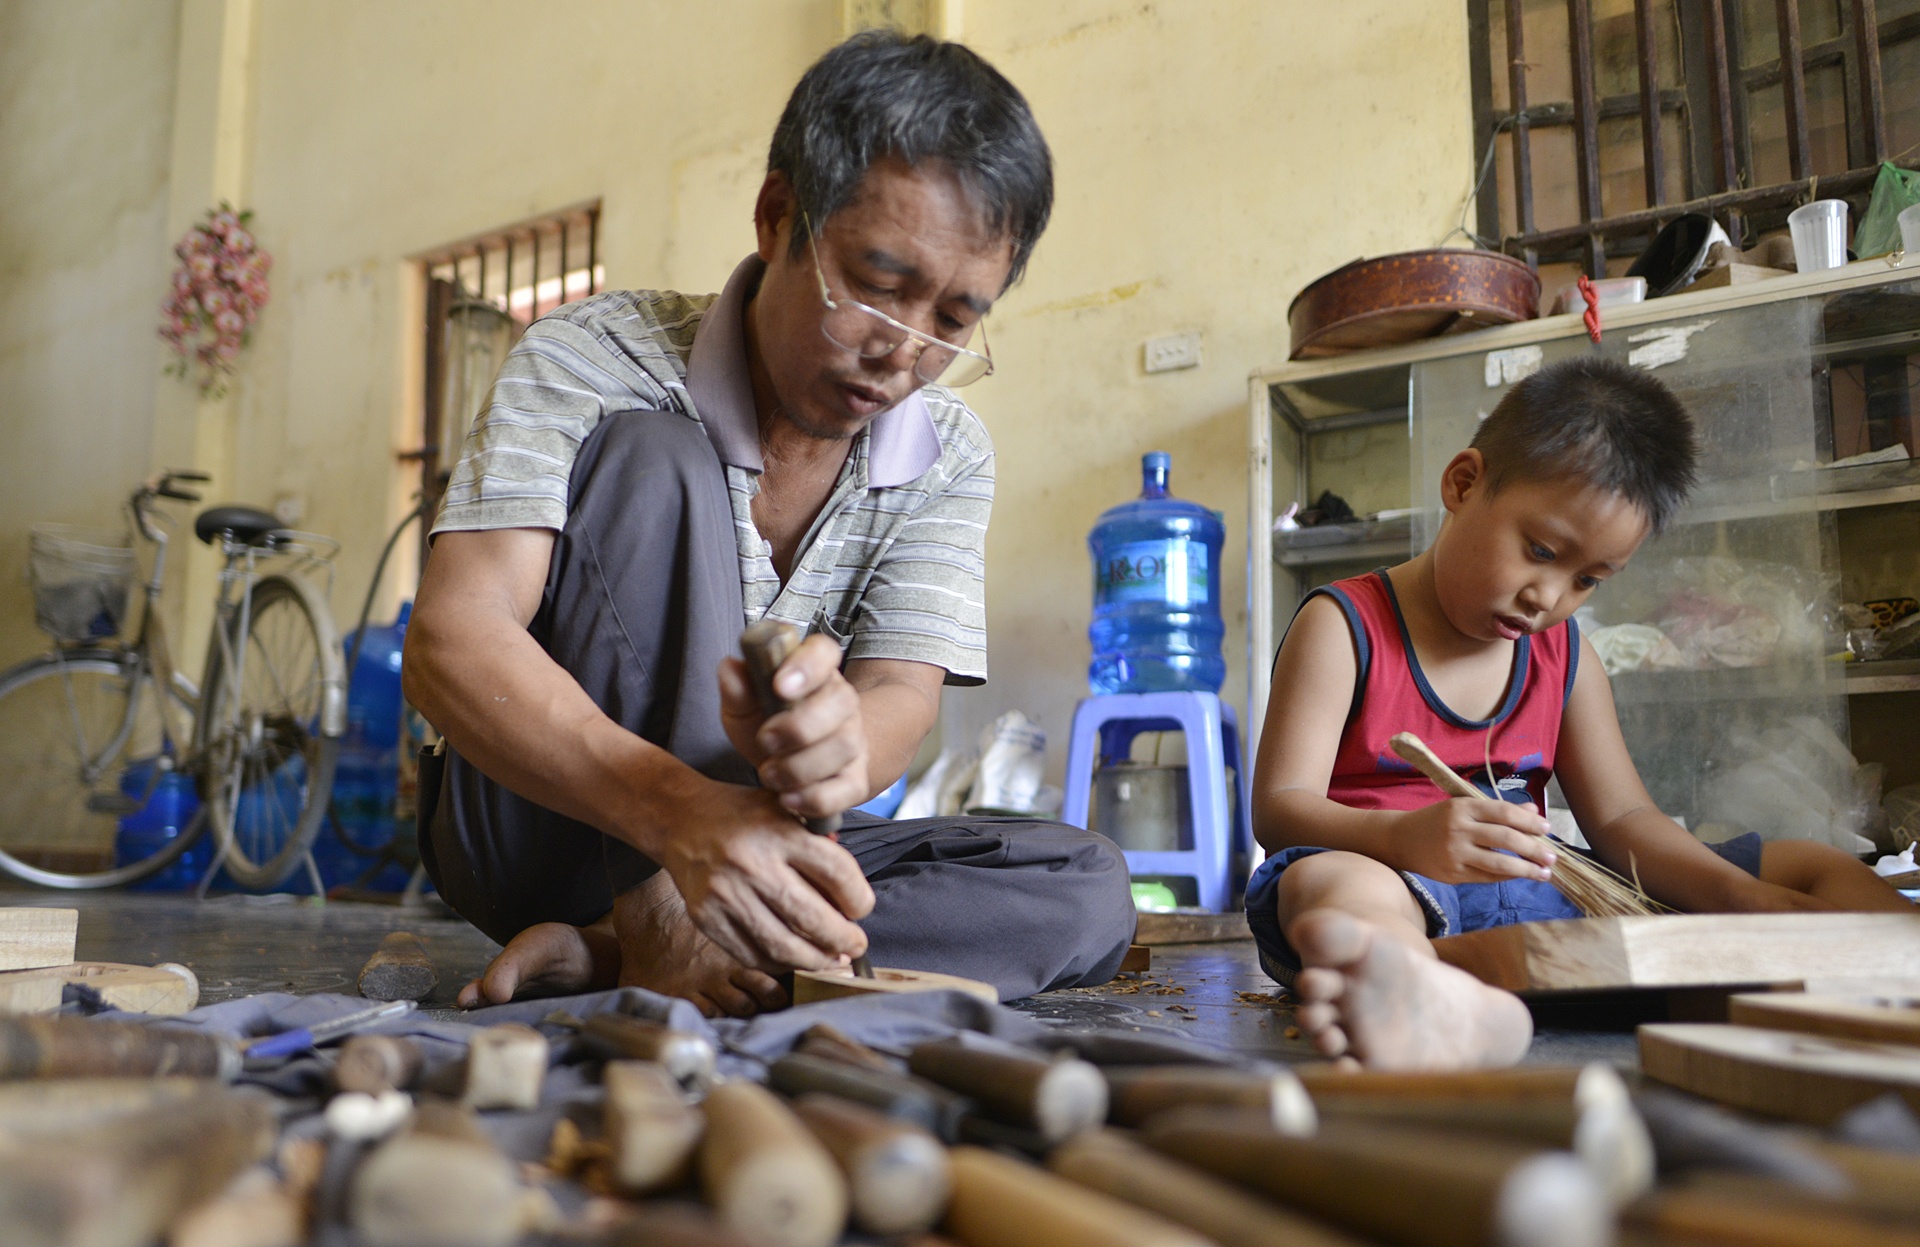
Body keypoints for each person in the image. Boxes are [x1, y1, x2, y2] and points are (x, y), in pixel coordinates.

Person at [403, 31, 1136, 1018]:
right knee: (655, 457)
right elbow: (452, 642)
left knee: (1082, 884)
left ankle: (622, 949)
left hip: (740, 847)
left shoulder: (948, 450)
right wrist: (679, 813)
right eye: (875, 282)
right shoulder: (591, 357)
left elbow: (897, 694)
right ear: (778, 215)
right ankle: (656, 916)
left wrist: (839, 748)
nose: (901, 354)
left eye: (955, 321)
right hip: (544, 823)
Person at [1247, 356, 1910, 1070]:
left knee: (1808, 863)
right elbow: (1281, 810)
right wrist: (1406, 838)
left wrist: (1740, 896)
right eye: (1540, 550)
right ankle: (1428, 1000)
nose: (1550, 597)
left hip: (1539, 888)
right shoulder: (1345, 626)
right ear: (1464, 484)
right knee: (1336, 887)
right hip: (1395, 880)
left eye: (1587, 579)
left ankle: (1895, 960)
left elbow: (1623, 822)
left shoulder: (1564, 656)